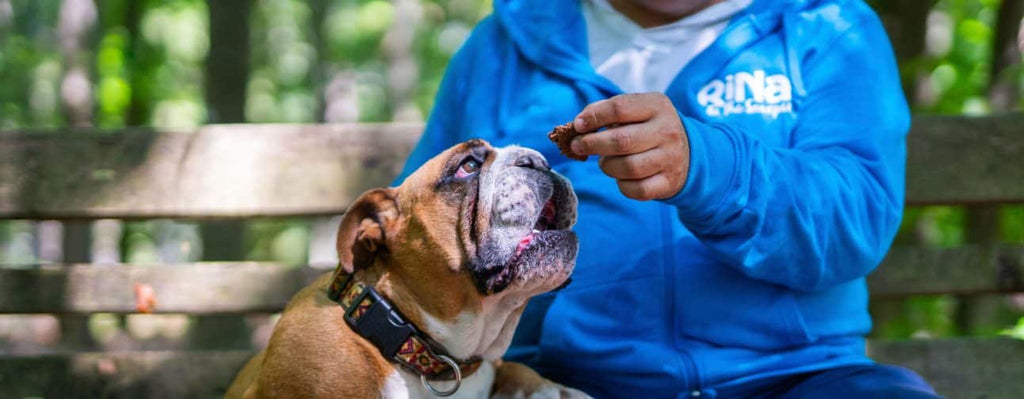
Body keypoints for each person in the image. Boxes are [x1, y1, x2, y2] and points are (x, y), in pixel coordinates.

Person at [396, 0, 939, 397]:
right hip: (559, 379)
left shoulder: (826, 25)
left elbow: (856, 221)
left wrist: (708, 167)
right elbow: (416, 242)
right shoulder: (502, 48)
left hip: (800, 377)